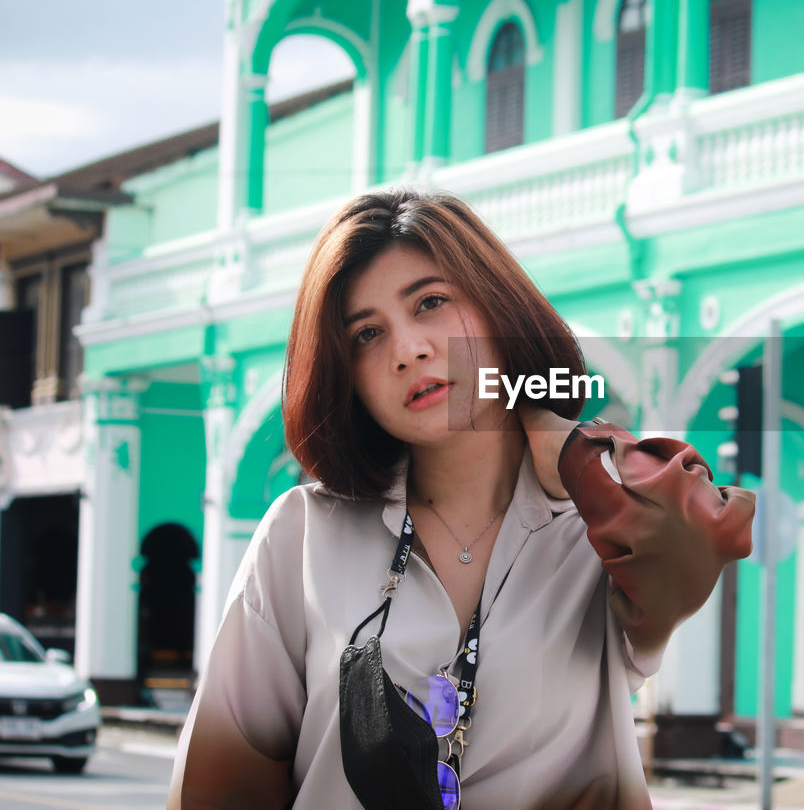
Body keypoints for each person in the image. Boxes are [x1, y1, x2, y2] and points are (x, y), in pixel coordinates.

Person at [167, 190, 755, 809]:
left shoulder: (602, 531)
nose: (408, 349)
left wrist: (564, 442)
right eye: (367, 334)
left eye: (431, 302)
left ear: (498, 306)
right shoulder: (303, 535)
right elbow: (221, 782)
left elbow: (699, 533)